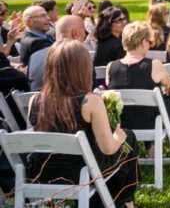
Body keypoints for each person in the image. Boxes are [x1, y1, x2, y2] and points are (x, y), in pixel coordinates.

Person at [27, 40, 140, 208]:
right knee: (128, 138)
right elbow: (108, 148)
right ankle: (125, 202)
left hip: (41, 173)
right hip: (82, 174)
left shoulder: (35, 100)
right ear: (82, 68)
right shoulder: (90, 101)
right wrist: (119, 137)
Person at [107, 22, 170, 146]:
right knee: (168, 98)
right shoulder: (154, 65)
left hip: (121, 124)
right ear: (143, 43)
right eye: (149, 42)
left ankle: (155, 146)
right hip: (151, 123)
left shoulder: (110, 67)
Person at [28, 15, 86, 91]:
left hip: (35, 101)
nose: (85, 35)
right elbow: (88, 88)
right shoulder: (78, 54)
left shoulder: (34, 56)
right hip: (70, 101)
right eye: (84, 31)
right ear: (74, 33)